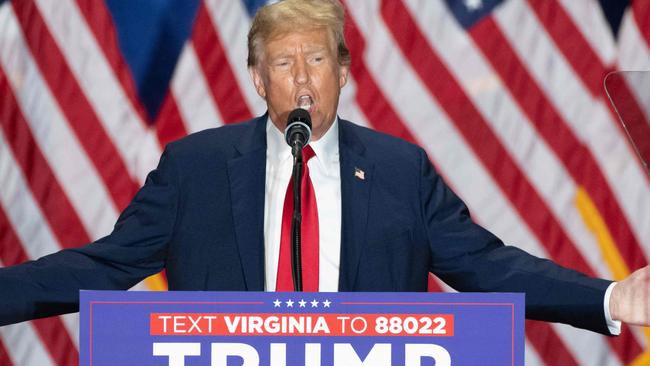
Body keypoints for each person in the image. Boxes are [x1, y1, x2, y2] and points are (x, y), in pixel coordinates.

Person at [1, 0, 649, 334]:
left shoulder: (402, 171)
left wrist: (610, 297)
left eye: (318, 61)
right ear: (257, 78)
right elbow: (105, 265)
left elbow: (487, 266)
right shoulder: (194, 169)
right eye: (283, 63)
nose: (302, 79)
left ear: (343, 73)